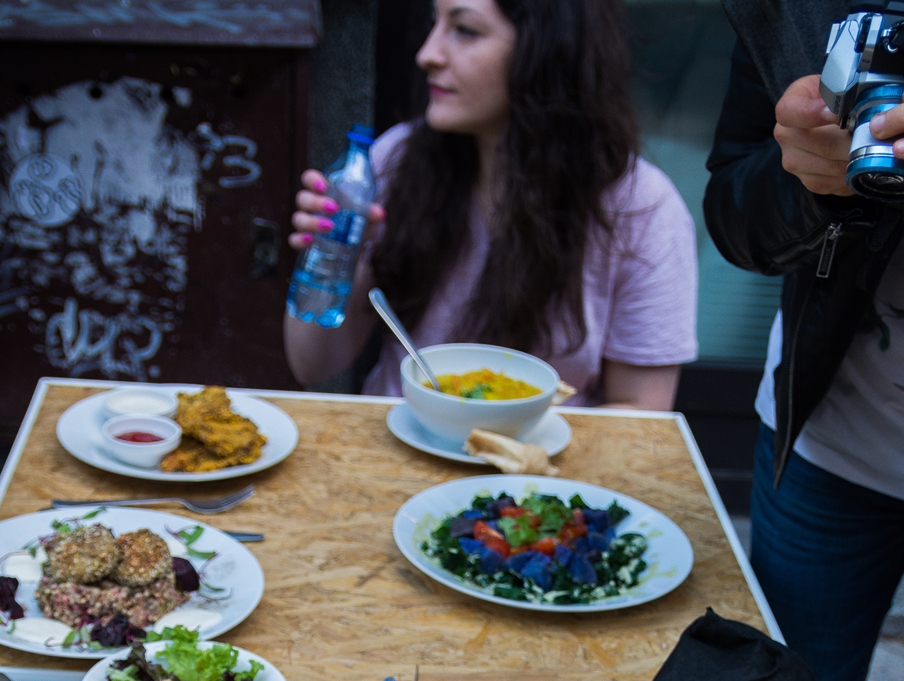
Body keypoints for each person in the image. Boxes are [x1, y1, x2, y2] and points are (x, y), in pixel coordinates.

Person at [284, 0, 697, 410]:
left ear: (547, 48)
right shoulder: (397, 160)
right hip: (398, 439)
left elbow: (642, 412)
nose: (427, 54)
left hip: (545, 452)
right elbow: (310, 364)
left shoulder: (640, 207)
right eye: (433, 24)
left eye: (465, 30)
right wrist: (335, 258)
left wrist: (516, 441)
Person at [706, 0, 904, 681]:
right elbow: (733, 214)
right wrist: (807, 178)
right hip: (831, 441)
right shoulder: (808, 9)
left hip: (831, 438)